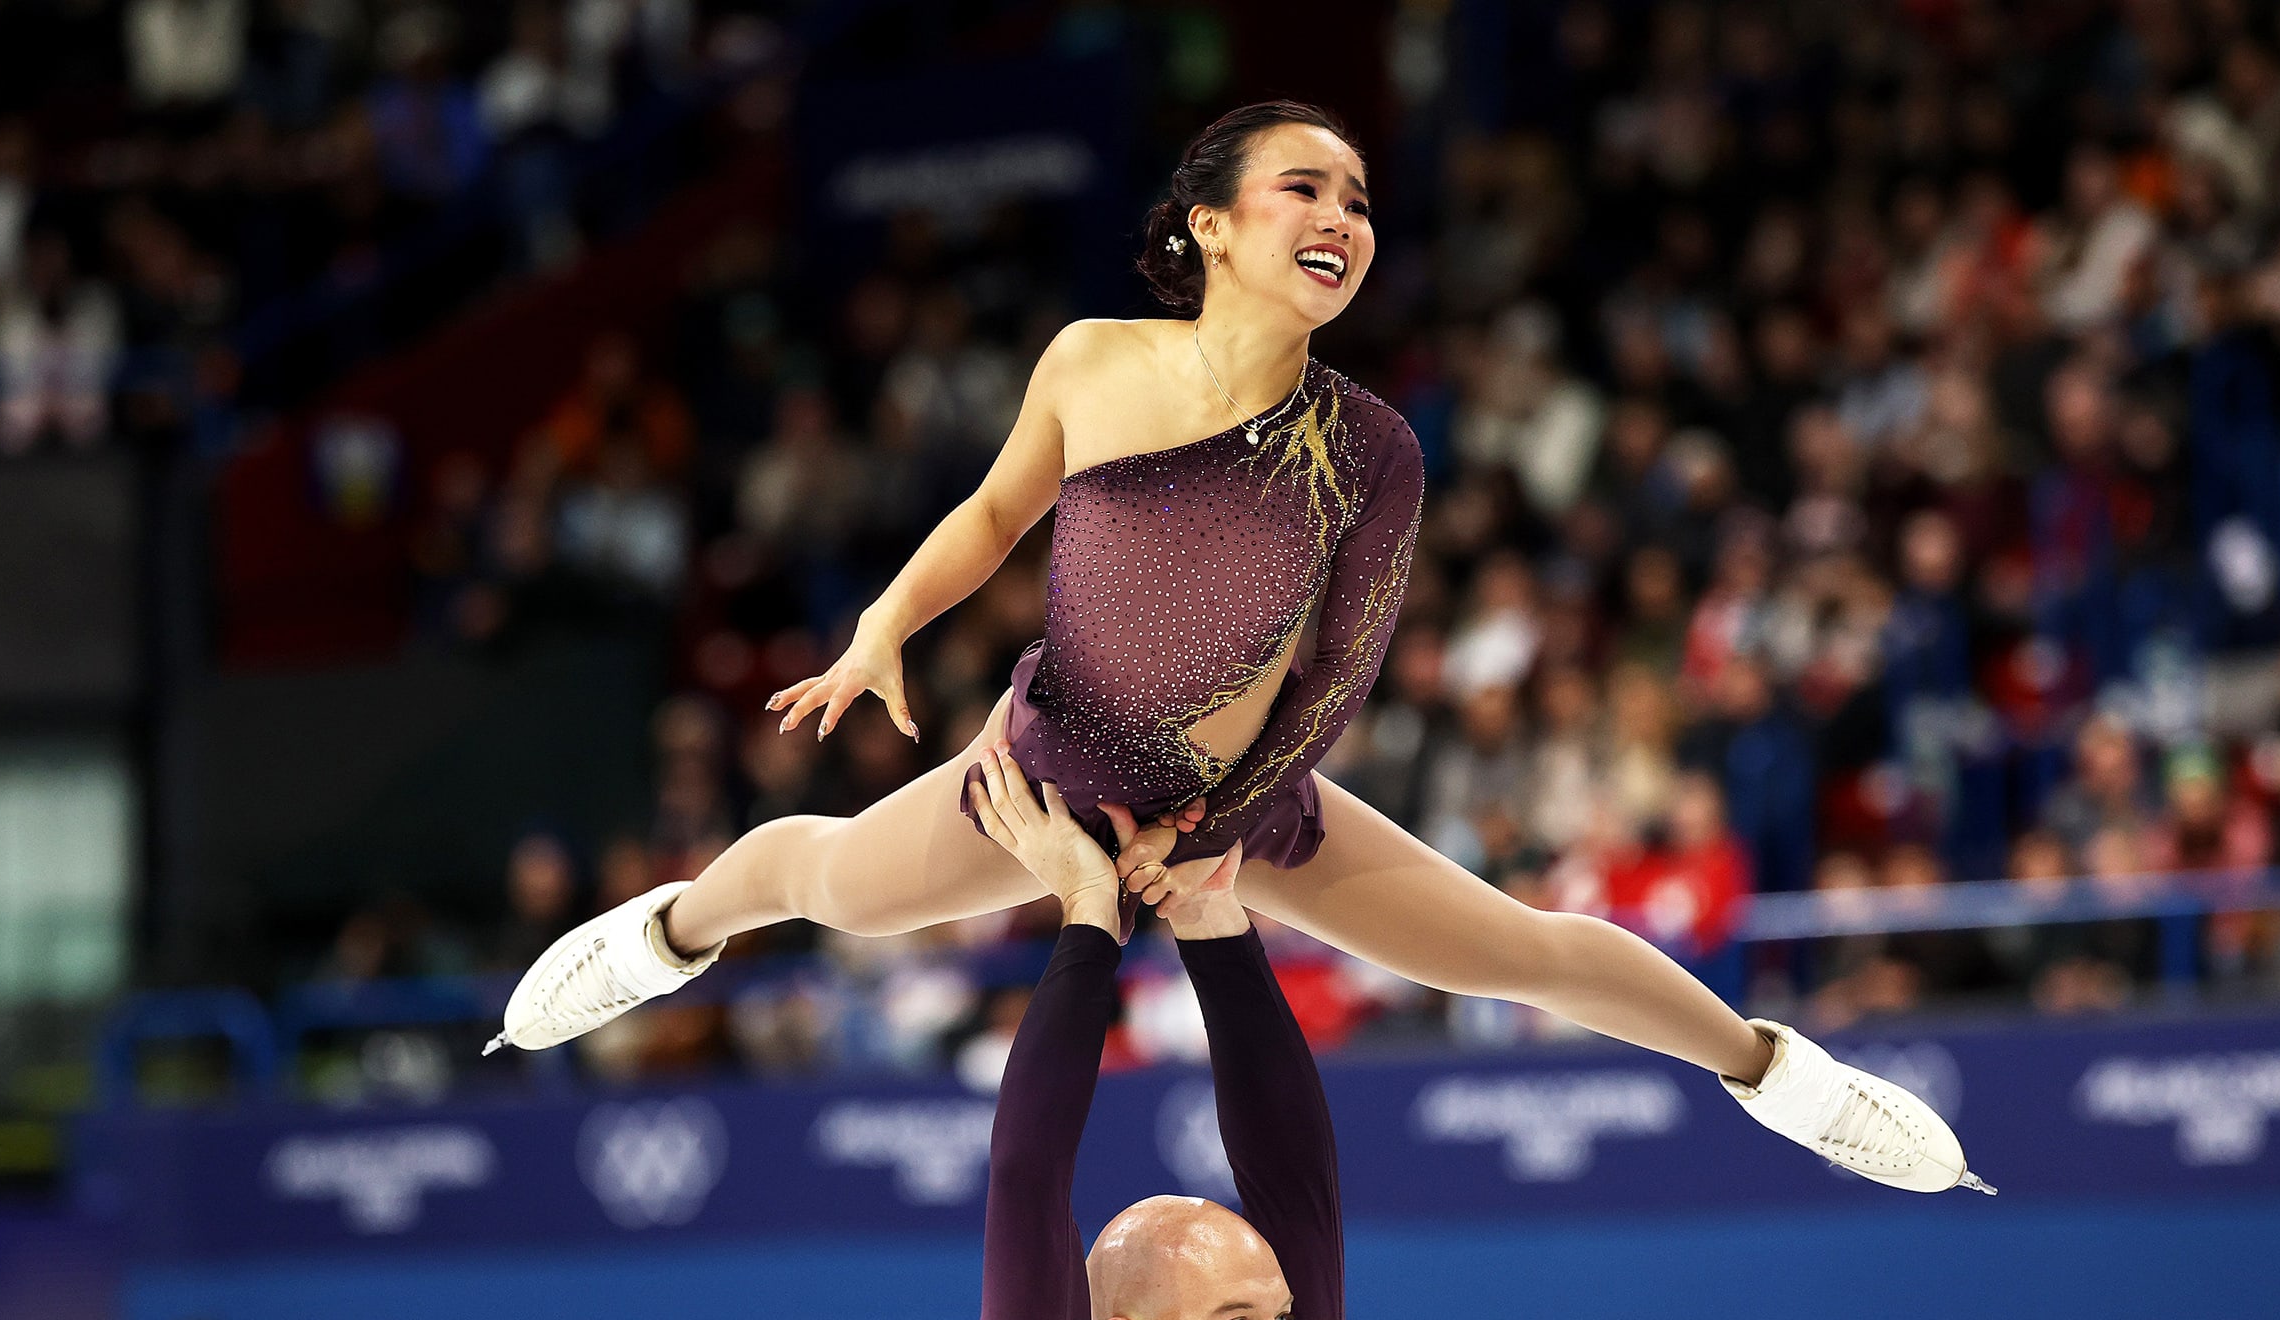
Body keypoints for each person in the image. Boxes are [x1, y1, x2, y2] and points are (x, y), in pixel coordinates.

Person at [490, 101, 1986, 1198]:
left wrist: (1214, 833)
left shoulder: (1373, 448)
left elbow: (1340, 673)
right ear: (1209, 223)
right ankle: (664, 935)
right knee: (821, 882)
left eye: (1356, 197)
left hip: (1245, 806)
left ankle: (1775, 1071)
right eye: (1301, 188)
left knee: (1521, 952)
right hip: (1047, 767)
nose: (1341, 215)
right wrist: (886, 621)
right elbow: (998, 508)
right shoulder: (1092, 359)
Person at [964, 746, 1366, 1320]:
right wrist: (1087, 922)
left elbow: (1299, 1186)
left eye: (1277, 1317)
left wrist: (1215, 923)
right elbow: (1028, 1183)